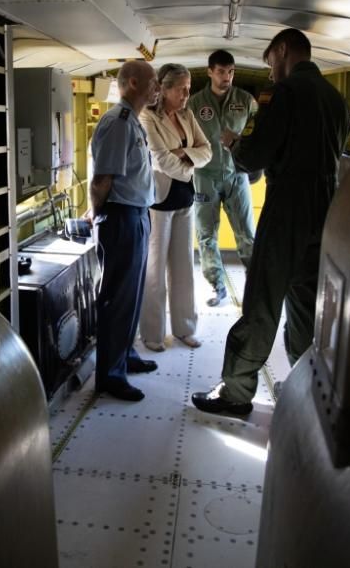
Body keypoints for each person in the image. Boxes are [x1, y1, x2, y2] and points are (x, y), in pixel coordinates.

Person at [191, 29, 350, 415]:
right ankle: (307, 381)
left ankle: (236, 392)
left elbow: (255, 157)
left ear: (282, 50)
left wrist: (234, 145)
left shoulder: (287, 93)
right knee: (307, 301)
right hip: (326, 208)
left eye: (270, 61)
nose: (271, 70)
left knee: (262, 298)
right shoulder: (336, 99)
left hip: (288, 209)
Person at [89, 60, 162, 402]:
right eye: (153, 82)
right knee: (117, 298)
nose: (157, 88)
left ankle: (125, 356)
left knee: (131, 296)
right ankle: (110, 375)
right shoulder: (117, 123)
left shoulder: (132, 121)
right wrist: (97, 215)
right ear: (133, 83)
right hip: (120, 218)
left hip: (136, 215)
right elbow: (103, 179)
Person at [139, 64, 212, 352]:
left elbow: (207, 150)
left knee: (184, 269)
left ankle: (184, 328)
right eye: (181, 89)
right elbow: (160, 160)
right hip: (159, 202)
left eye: (188, 88)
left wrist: (185, 154)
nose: (186, 94)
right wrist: (189, 166)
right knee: (155, 271)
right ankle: (153, 334)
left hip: (184, 200)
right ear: (165, 89)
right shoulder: (147, 117)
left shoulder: (187, 114)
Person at [188, 50, 259, 307]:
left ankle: (254, 285)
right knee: (207, 235)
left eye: (230, 71)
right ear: (209, 72)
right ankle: (217, 285)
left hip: (236, 175)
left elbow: (257, 135)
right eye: (220, 71)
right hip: (204, 175)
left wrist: (253, 166)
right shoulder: (194, 104)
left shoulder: (247, 101)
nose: (226, 77)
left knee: (247, 234)